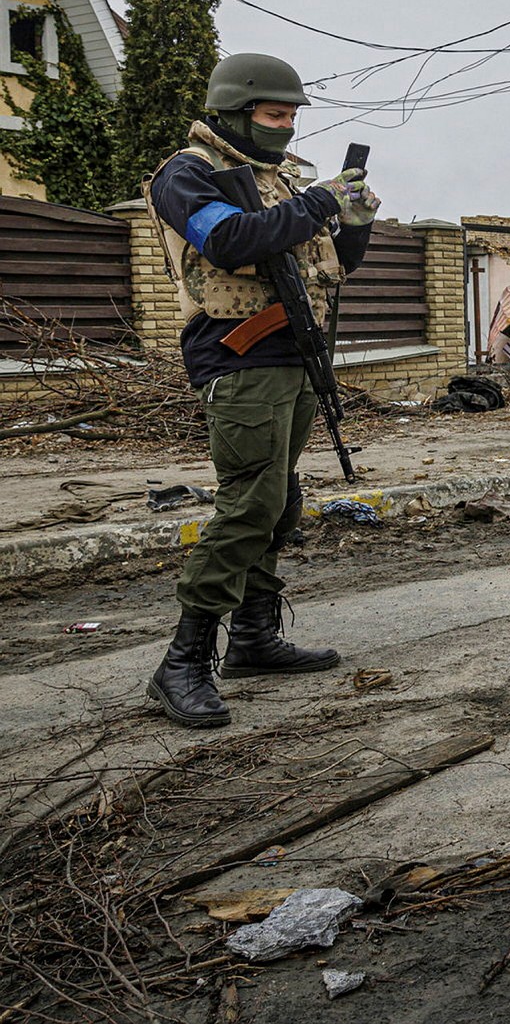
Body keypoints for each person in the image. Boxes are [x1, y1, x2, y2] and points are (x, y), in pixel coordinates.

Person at [142, 53, 380, 728]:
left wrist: (352, 215)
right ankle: (182, 662)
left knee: (281, 502)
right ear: (234, 109)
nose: (287, 125)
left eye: (293, 115)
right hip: (236, 356)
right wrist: (318, 200)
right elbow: (228, 240)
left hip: (292, 353)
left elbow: (333, 260)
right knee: (252, 501)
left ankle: (252, 638)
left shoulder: (277, 180)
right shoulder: (186, 173)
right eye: (277, 114)